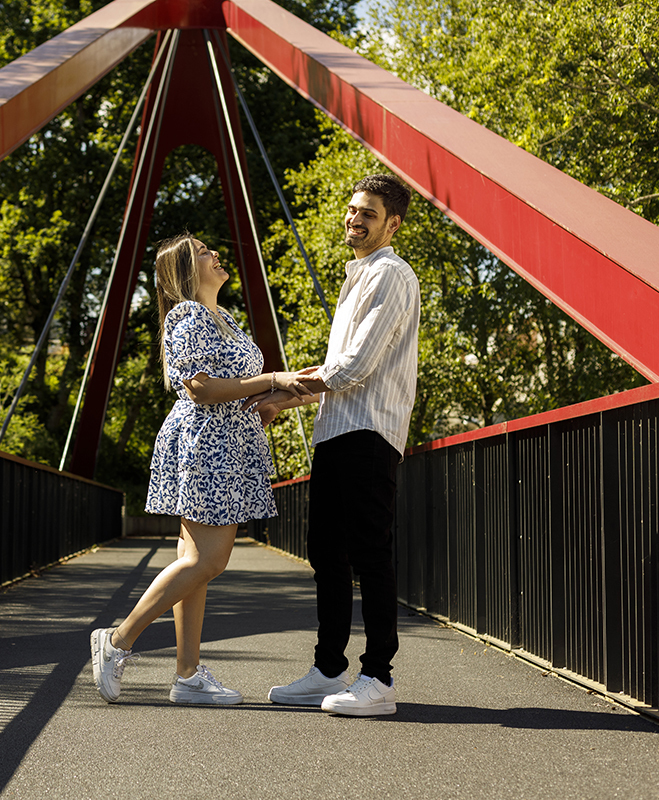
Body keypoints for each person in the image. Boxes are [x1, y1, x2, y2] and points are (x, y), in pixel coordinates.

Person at [90, 233, 312, 705]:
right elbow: (202, 389)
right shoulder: (188, 315)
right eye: (204, 252)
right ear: (186, 271)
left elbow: (235, 387)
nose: (216, 254)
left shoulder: (223, 318)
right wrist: (273, 377)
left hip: (228, 442)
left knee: (195, 564)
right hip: (207, 445)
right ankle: (117, 641)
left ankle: (188, 675)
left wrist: (272, 399)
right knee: (208, 561)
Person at [248, 174, 419, 716]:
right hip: (337, 431)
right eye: (352, 209)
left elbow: (356, 367)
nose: (355, 219)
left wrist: (279, 389)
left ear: (393, 224)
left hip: (369, 433)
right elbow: (339, 371)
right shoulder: (357, 276)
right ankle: (328, 669)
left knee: (370, 554)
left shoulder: (390, 274)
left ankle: (379, 678)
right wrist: (285, 399)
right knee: (326, 553)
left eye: (368, 213)